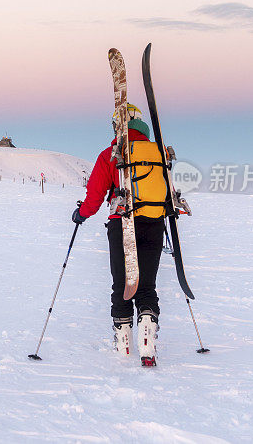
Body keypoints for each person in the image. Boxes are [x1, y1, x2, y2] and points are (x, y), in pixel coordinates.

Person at [72, 104, 167, 364]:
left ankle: (124, 344)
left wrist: (82, 214)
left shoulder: (111, 154)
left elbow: (95, 195)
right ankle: (147, 344)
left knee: (122, 284)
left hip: (122, 224)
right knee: (146, 285)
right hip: (154, 223)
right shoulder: (157, 154)